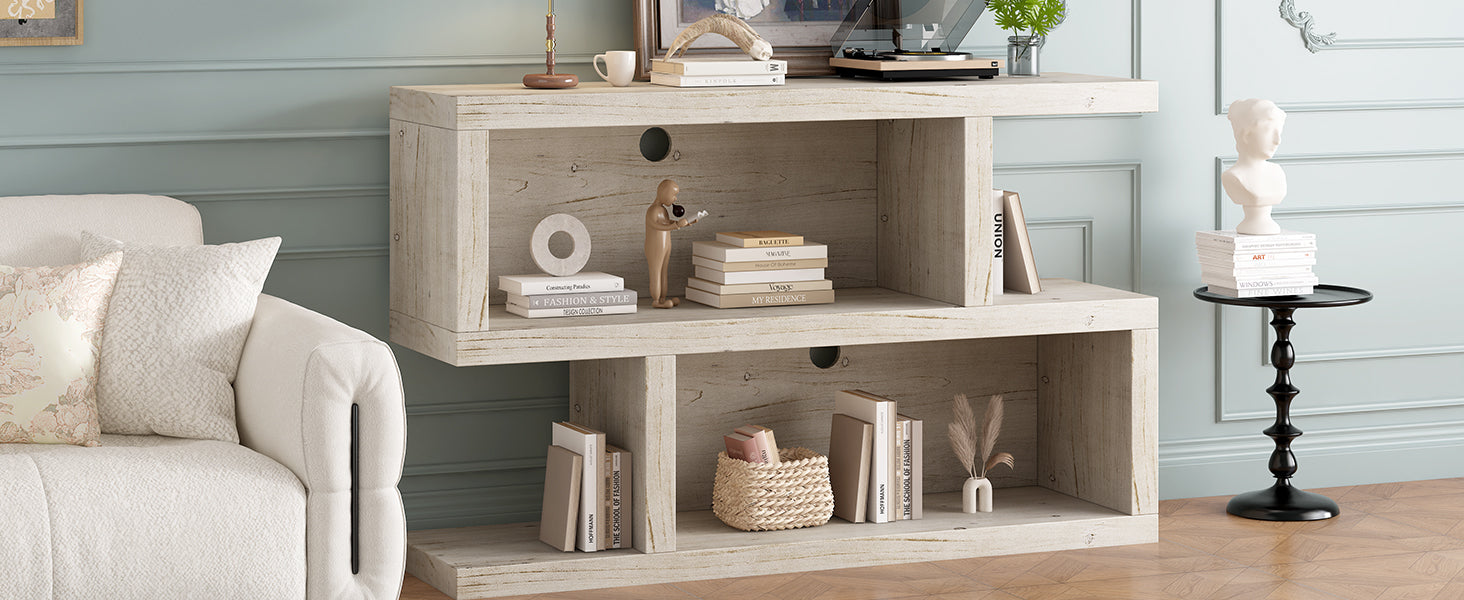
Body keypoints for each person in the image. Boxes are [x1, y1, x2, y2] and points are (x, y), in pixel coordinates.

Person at [1222, 99, 1287, 235]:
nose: (1277, 140)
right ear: (1246, 135)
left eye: (1279, 133)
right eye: (1270, 132)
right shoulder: (1234, 177)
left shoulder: (1277, 172)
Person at [645, 179, 695, 308]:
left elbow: (666, 222)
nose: (675, 198)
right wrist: (676, 225)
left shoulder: (663, 210)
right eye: (673, 195)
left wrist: (686, 223)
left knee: (664, 271)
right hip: (654, 246)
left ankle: (663, 298)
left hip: (665, 244)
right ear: (663, 193)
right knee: (656, 271)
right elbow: (656, 226)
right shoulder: (653, 210)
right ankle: (656, 300)